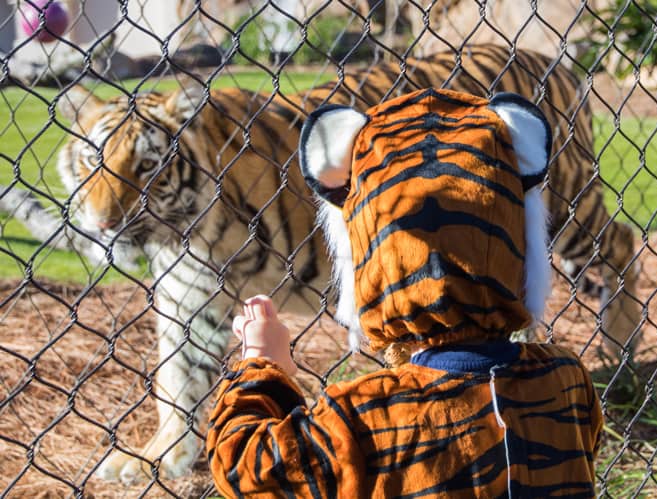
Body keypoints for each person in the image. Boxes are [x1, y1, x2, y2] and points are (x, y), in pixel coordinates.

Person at [207, 88, 603, 498]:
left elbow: (243, 466)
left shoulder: (362, 417)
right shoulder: (566, 382)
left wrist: (262, 364)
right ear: (519, 245)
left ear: (370, 259)